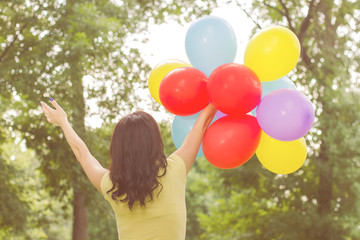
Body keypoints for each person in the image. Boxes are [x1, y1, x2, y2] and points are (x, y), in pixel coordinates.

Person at [40, 98, 217, 240]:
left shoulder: (112, 186)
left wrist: (63, 122)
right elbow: (201, 125)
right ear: (155, 142)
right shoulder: (175, 170)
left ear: (118, 149)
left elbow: (82, 154)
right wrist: (219, 97)